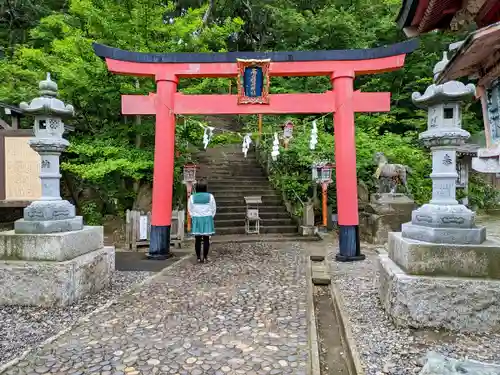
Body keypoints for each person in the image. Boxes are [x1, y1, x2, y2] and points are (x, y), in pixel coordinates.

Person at [188, 182, 216, 263]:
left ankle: (198, 258)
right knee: (206, 239)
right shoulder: (210, 196)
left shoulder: (192, 197)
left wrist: (194, 216)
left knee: (197, 239)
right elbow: (213, 208)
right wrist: (210, 216)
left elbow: (190, 209)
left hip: (197, 218)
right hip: (207, 218)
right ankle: (205, 257)